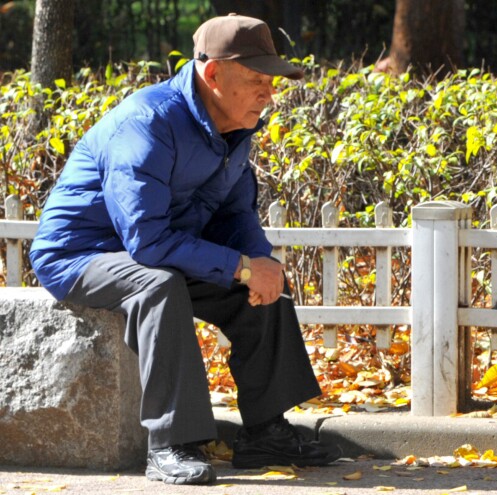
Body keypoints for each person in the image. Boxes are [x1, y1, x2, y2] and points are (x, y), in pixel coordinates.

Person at [29, 14, 341, 485]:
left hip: (159, 245)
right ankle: (171, 443)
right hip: (81, 254)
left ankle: (266, 433)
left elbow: (236, 215)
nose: (268, 94)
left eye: (272, 83)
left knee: (263, 285)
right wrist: (238, 266)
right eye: (256, 80)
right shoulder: (147, 124)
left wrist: (259, 265)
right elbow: (147, 241)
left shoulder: (236, 126)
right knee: (161, 287)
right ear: (212, 74)